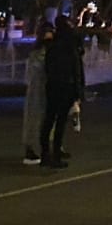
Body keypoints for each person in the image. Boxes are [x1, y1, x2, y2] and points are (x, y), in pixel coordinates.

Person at [41, 16, 84, 168]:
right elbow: (75, 69)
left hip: (53, 86)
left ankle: (45, 154)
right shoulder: (69, 44)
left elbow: (47, 66)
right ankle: (56, 154)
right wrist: (78, 92)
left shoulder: (52, 45)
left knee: (49, 119)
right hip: (65, 86)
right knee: (59, 122)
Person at [22, 21, 51, 166]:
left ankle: (37, 148)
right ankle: (31, 149)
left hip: (39, 90)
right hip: (38, 90)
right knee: (35, 119)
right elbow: (38, 70)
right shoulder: (40, 52)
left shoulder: (39, 51)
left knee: (39, 119)